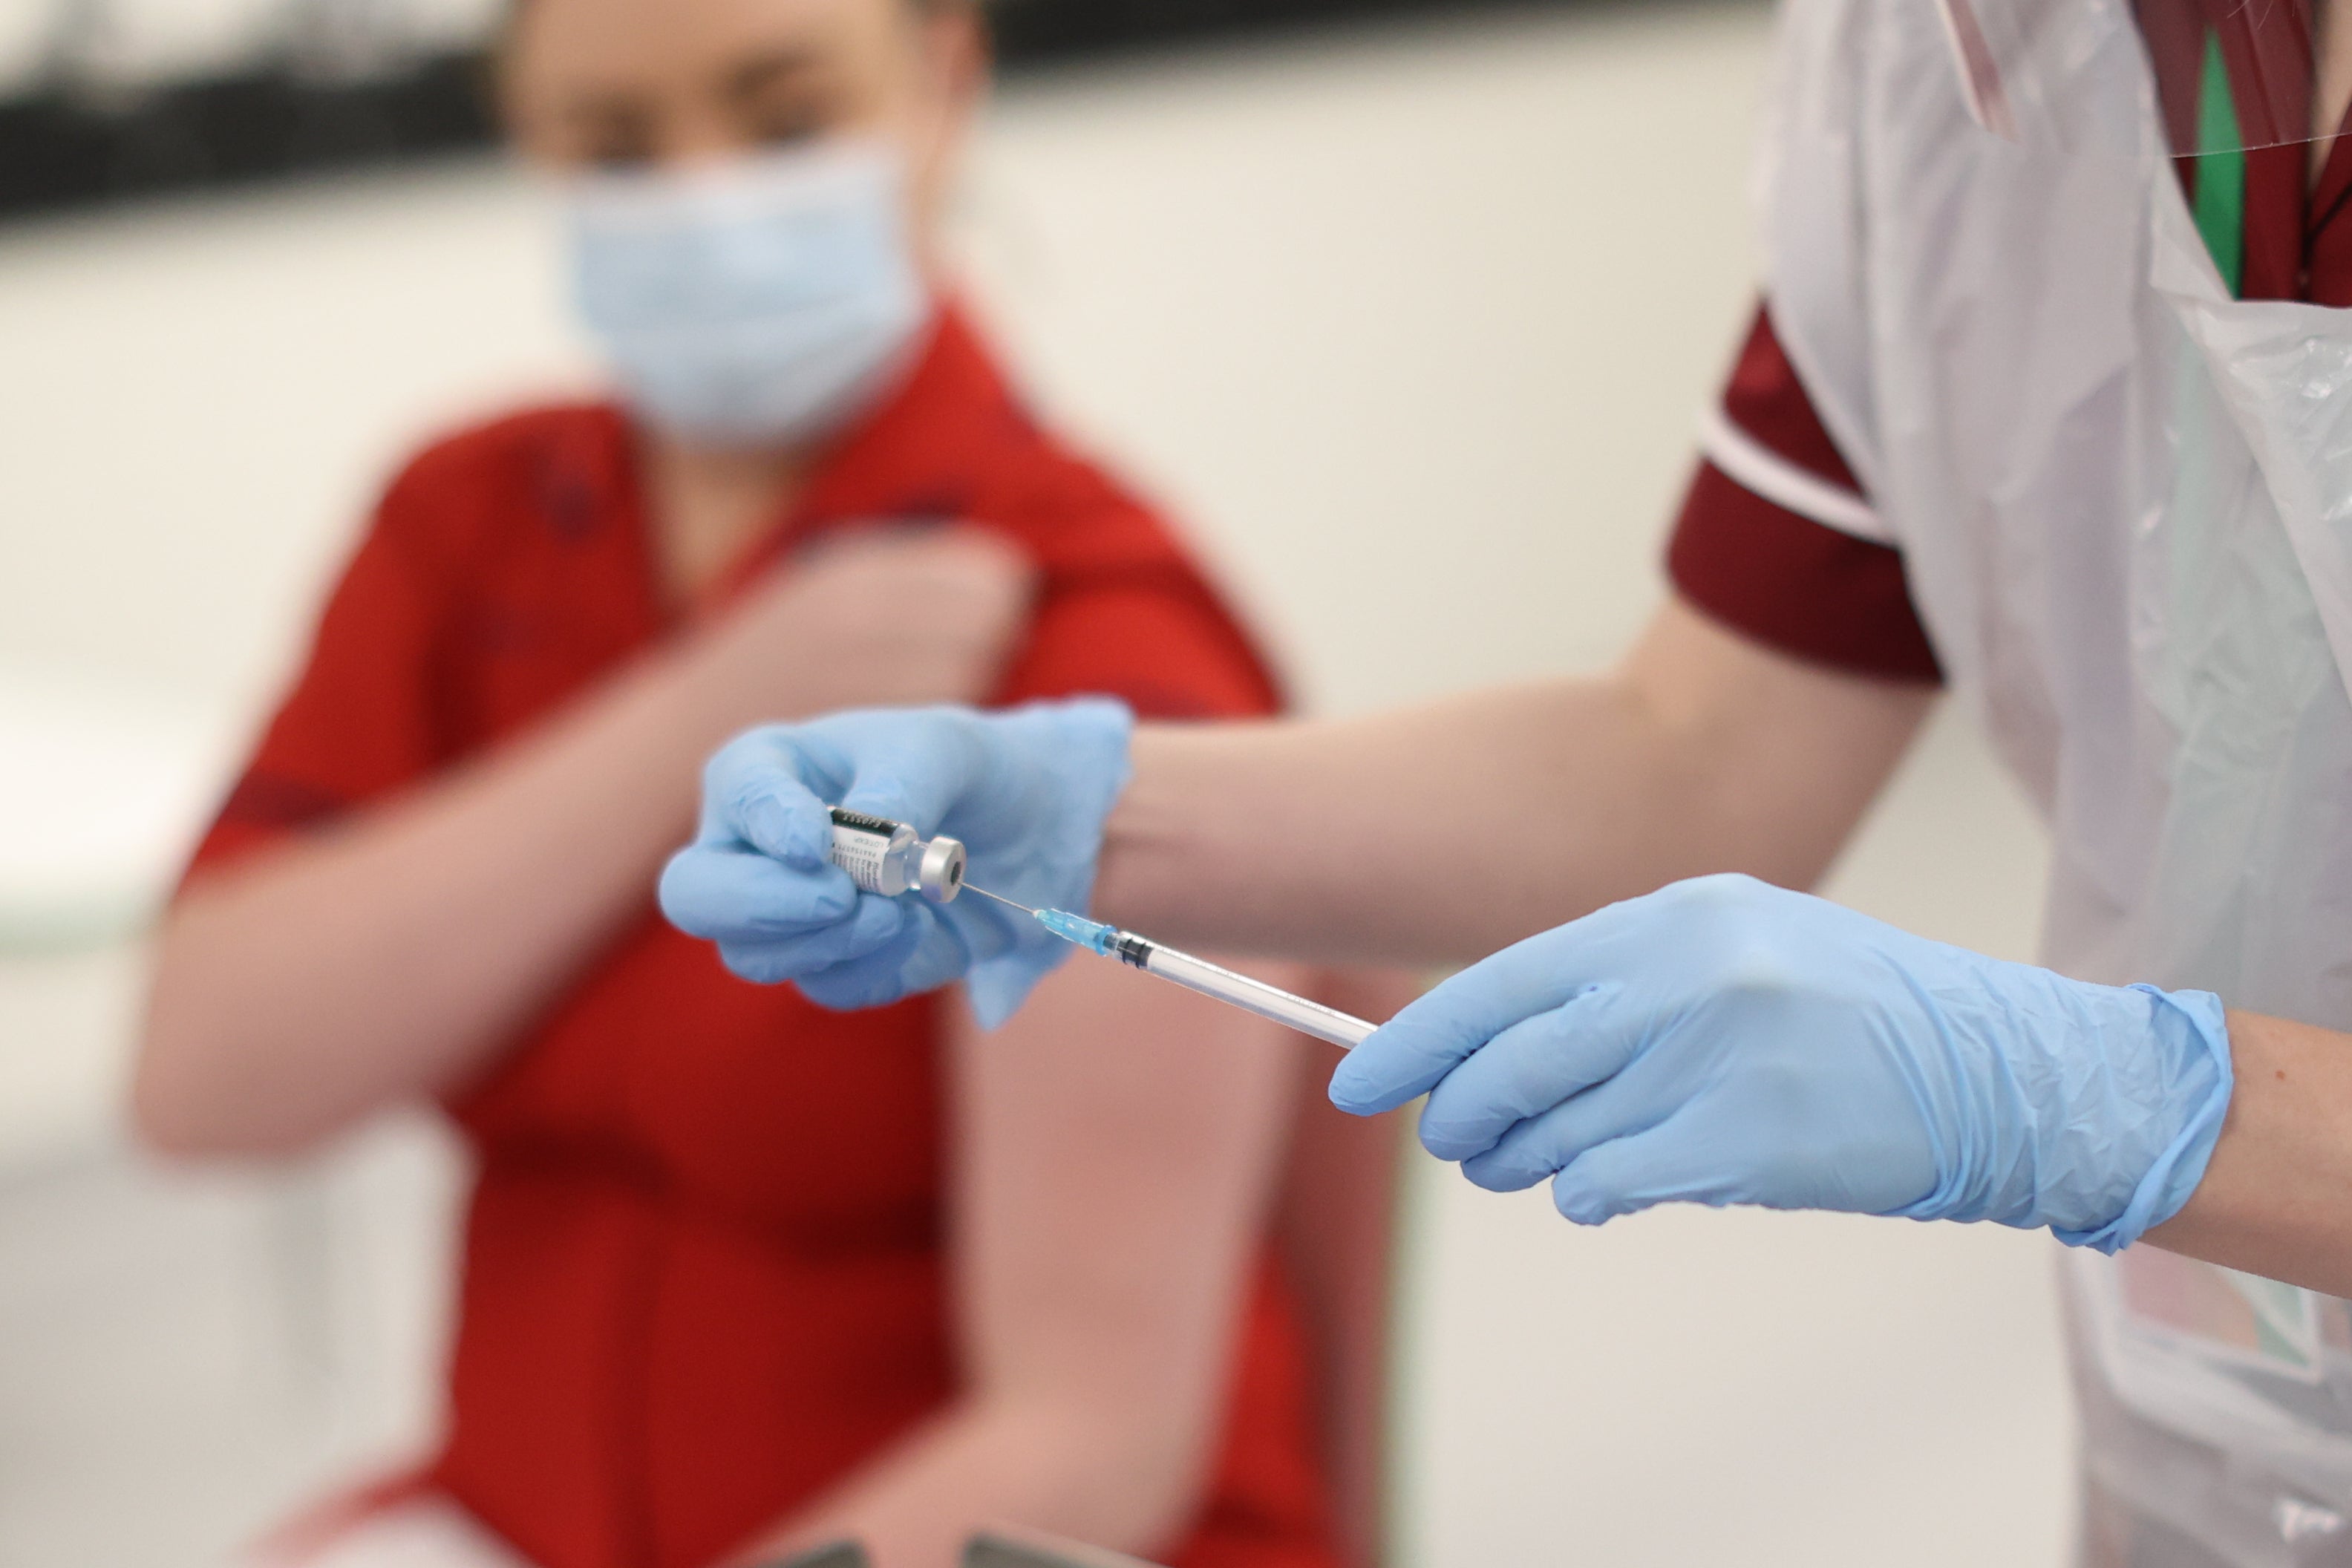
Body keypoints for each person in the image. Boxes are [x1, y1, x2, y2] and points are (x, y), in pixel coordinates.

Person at [656, 0, 2352, 1561]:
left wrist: (2110, 1104)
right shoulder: (1949, 69)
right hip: (2203, 1456)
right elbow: (1698, 763)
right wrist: (1089, 814)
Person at [132, 1, 1374, 1565]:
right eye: (614, 146)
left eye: (784, 122)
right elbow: (199, 1080)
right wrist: (696, 718)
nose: (708, 197)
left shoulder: (1085, 648)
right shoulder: (472, 532)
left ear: (944, 81)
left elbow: (1091, 1442)